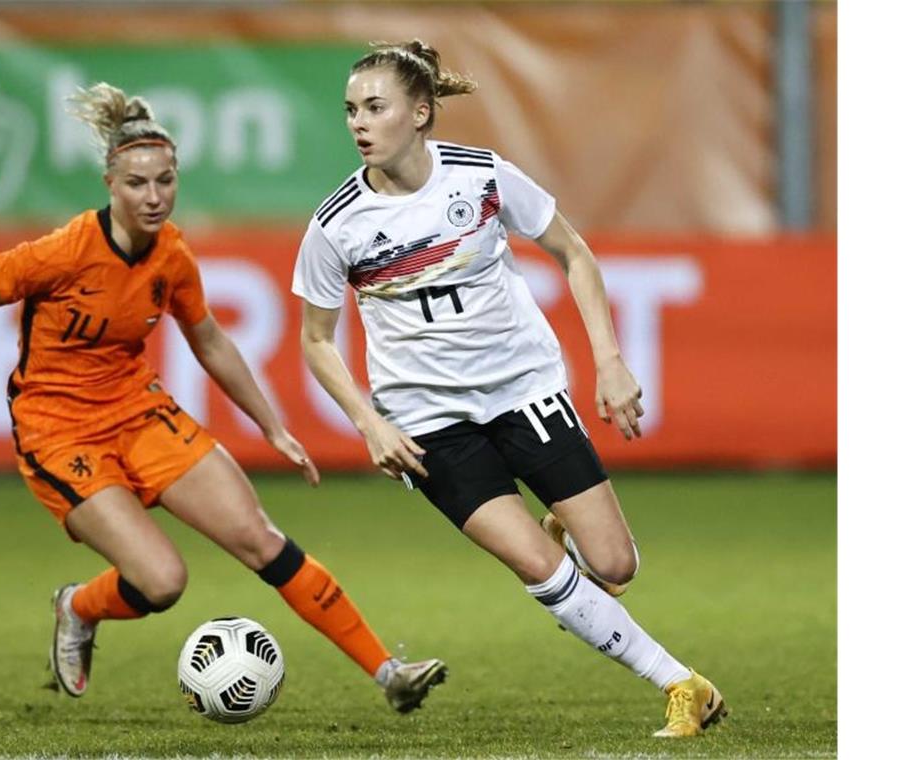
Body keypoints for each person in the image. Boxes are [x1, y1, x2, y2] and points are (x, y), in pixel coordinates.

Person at [0, 81, 446, 712]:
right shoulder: (62, 252)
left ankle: (388, 674)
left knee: (262, 540)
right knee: (162, 582)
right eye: (136, 184)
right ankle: (77, 606)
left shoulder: (171, 254)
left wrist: (271, 426)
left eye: (165, 181)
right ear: (109, 183)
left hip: (139, 412)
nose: (154, 197)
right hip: (58, 431)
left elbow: (208, 340)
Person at [293, 41, 727, 738]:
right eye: (351, 110)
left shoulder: (480, 177)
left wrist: (610, 361)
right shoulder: (336, 223)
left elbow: (573, 253)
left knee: (614, 564)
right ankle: (683, 684)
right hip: (427, 420)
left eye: (375, 107)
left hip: (523, 388)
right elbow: (315, 339)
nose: (359, 123)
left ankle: (573, 545)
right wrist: (369, 423)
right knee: (536, 564)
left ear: (421, 112)